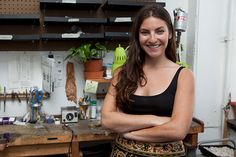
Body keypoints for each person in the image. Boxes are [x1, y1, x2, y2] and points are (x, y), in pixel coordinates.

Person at [101, 4, 194, 157]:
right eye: (145, 32)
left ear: (170, 33)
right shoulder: (122, 73)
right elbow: (107, 119)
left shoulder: (184, 76)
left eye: (159, 31)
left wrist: (129, 133)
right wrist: (156, 120)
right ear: (138, 36)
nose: (152, 39)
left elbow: (178, 130)